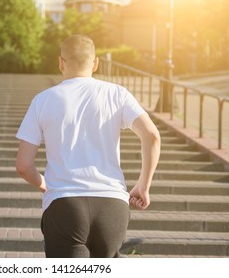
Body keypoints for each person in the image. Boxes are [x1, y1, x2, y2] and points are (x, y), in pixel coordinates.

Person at [15, 35, 160, 258]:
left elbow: (24, 166)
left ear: (60, 62)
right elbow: (151, 135)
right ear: (95, 63)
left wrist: (45, 184)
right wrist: (143, 185)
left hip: (64, 203)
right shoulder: (117, 93)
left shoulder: (43, 100)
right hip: (112, 204)